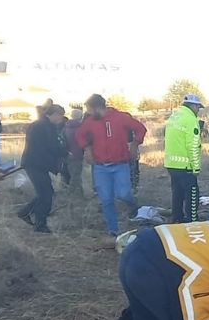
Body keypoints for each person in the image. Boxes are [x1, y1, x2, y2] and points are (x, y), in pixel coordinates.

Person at [75, 94, 146, 235]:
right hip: (100, 167)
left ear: (97, 108)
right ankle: (113, 230)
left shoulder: (120, 117)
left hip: (120, 164)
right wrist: (87, 149)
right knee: (106, 199)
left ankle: (133, 206)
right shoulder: (90, 121)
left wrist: (134, 145)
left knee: (124, 194)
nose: (87, 113)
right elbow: (80, 135)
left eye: (89, 109)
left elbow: (140, 129)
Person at [17, 104, 67, 233]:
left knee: (45, 192)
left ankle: (26, 212)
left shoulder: (39, 124)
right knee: (46, 194)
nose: (61, 119)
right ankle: (40, 224)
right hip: (37, 163)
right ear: (55, 114)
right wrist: (65, 152)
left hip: (34, 162)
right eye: (60, 116)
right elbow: (52, 146)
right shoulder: (46, 127)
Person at [164, 94, 205, 223]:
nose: (198, 110)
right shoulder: (191, 120)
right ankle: (192, 221)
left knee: (177, 193)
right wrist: (196, 167)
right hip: (185, 165)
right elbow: (193, 146)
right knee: (192, 194)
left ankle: (177, 219)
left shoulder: (174, 116)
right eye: (198, 107)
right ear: (193, 106)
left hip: (171, 163)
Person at [62, 107, 86, 197]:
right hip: (77, 155)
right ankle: (70, 194)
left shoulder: (66, 127)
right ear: (80, 117)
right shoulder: (79, 129)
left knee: (75, 175)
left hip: (67, 154)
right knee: (75, 176)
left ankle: (80, 195)